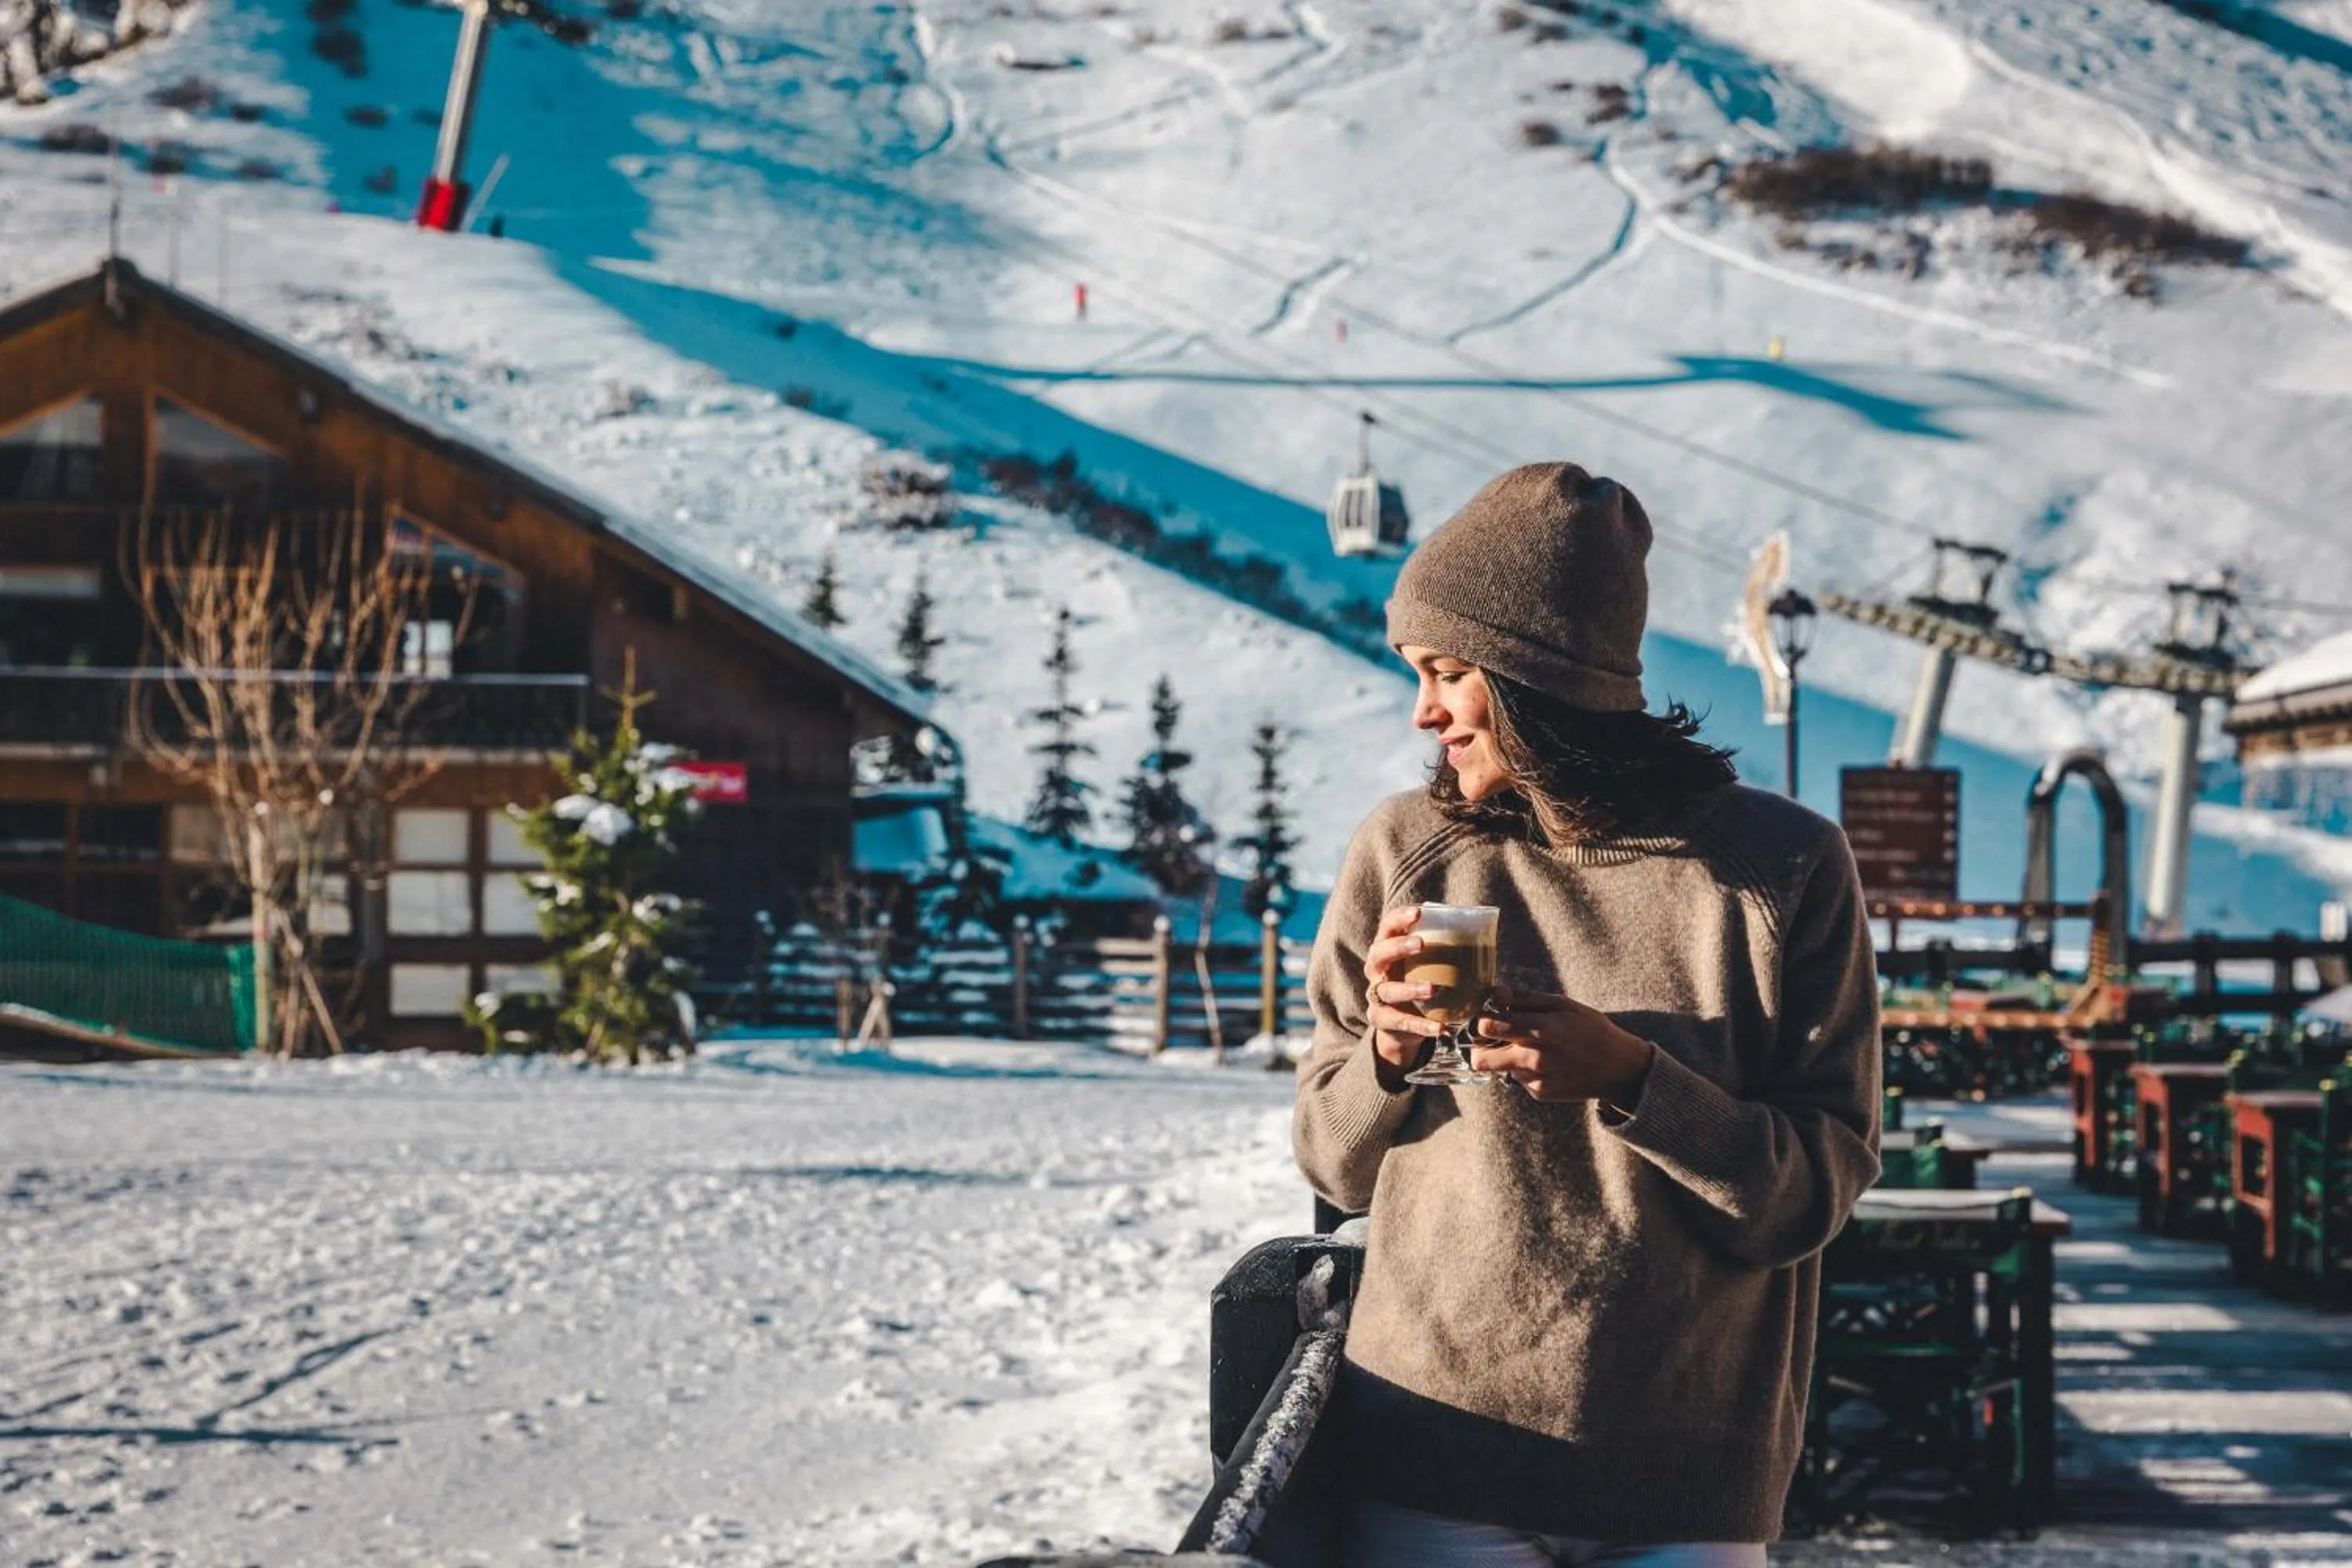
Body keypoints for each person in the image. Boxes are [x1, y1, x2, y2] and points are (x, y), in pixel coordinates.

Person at [1294, 463, 1882, 1566]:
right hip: (1435, 1454)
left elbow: (1815, 1191)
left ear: (1531, 676)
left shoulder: (1783, 867)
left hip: (1684, 1477)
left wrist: (1633, 1080)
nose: (1424, 712)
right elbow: (1332, 1166)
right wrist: (1382, 1053)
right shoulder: (1404, 853)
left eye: (1448, 673)